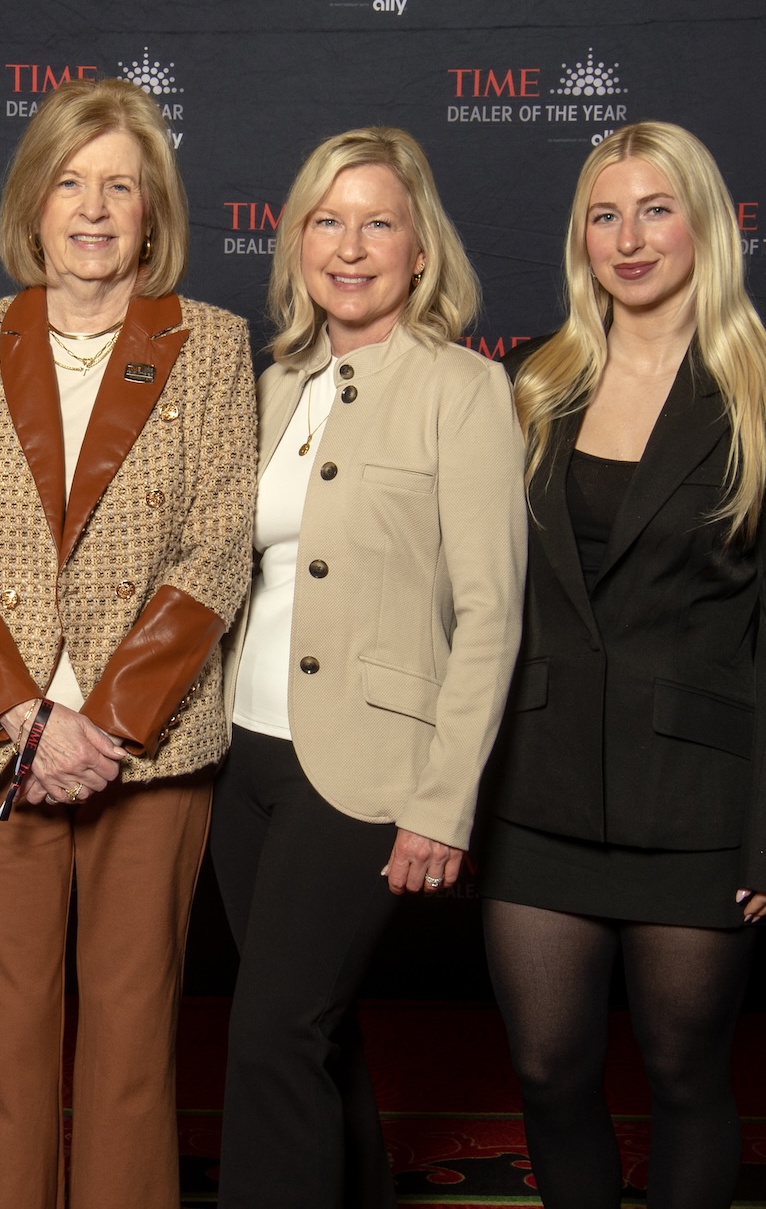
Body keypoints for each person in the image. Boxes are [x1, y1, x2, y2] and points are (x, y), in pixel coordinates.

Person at [0, 77, 255, 1209]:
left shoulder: (212, 344)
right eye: (70, 182)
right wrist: (23, 717)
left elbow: (214, 552)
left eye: (120, 186)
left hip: (143, 751)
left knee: (131, 1035)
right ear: (33, 203)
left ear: (153, 212)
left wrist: (101, 727)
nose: (94, 209)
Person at [475, 121, 766, 1208]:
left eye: (654, 210)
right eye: (604, 214)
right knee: (547, 1071)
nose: (628, 239)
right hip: (535, 790)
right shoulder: (527, 384)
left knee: (683, 1075)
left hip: (698, 807)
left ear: (706, 225)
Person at [214, 127, 526, 1209]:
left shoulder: (463, 388)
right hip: (242, 760)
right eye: (327, 221)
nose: (349, 247)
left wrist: (444, 802)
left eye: (378, 223)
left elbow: (490, 612)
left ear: (419, 249)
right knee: (315, 1032)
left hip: (364, 767)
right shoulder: (271, 384)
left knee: (272, 1036)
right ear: (297, 241)